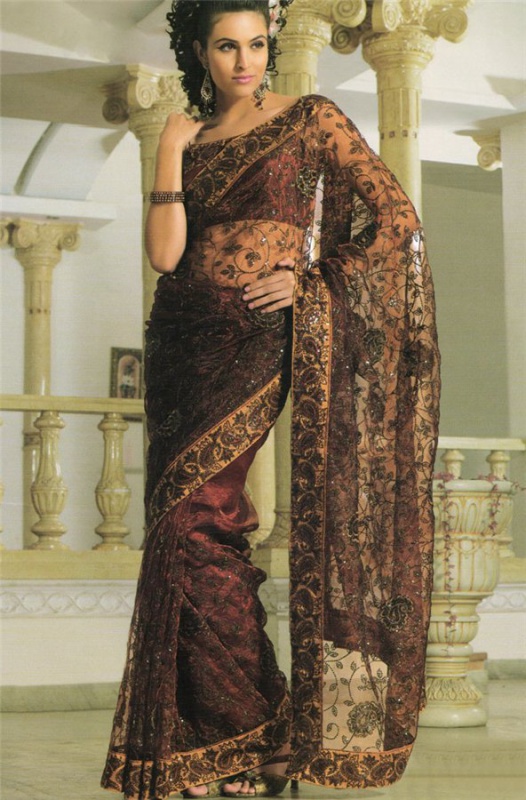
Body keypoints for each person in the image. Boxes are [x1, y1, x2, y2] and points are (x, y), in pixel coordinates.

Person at [101, 1, 440, 798]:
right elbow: (166, 257)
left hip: (257, 340)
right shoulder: (189, 137)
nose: (245, 61)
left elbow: (395, 222)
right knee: (184, 534)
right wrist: (169, 148)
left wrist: (313, 278)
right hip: (181, 340)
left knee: (201, 520)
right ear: (199, 51)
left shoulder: (310, 118)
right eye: (227, 46)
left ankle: (249, 731)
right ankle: (227, 742)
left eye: (257, 44)